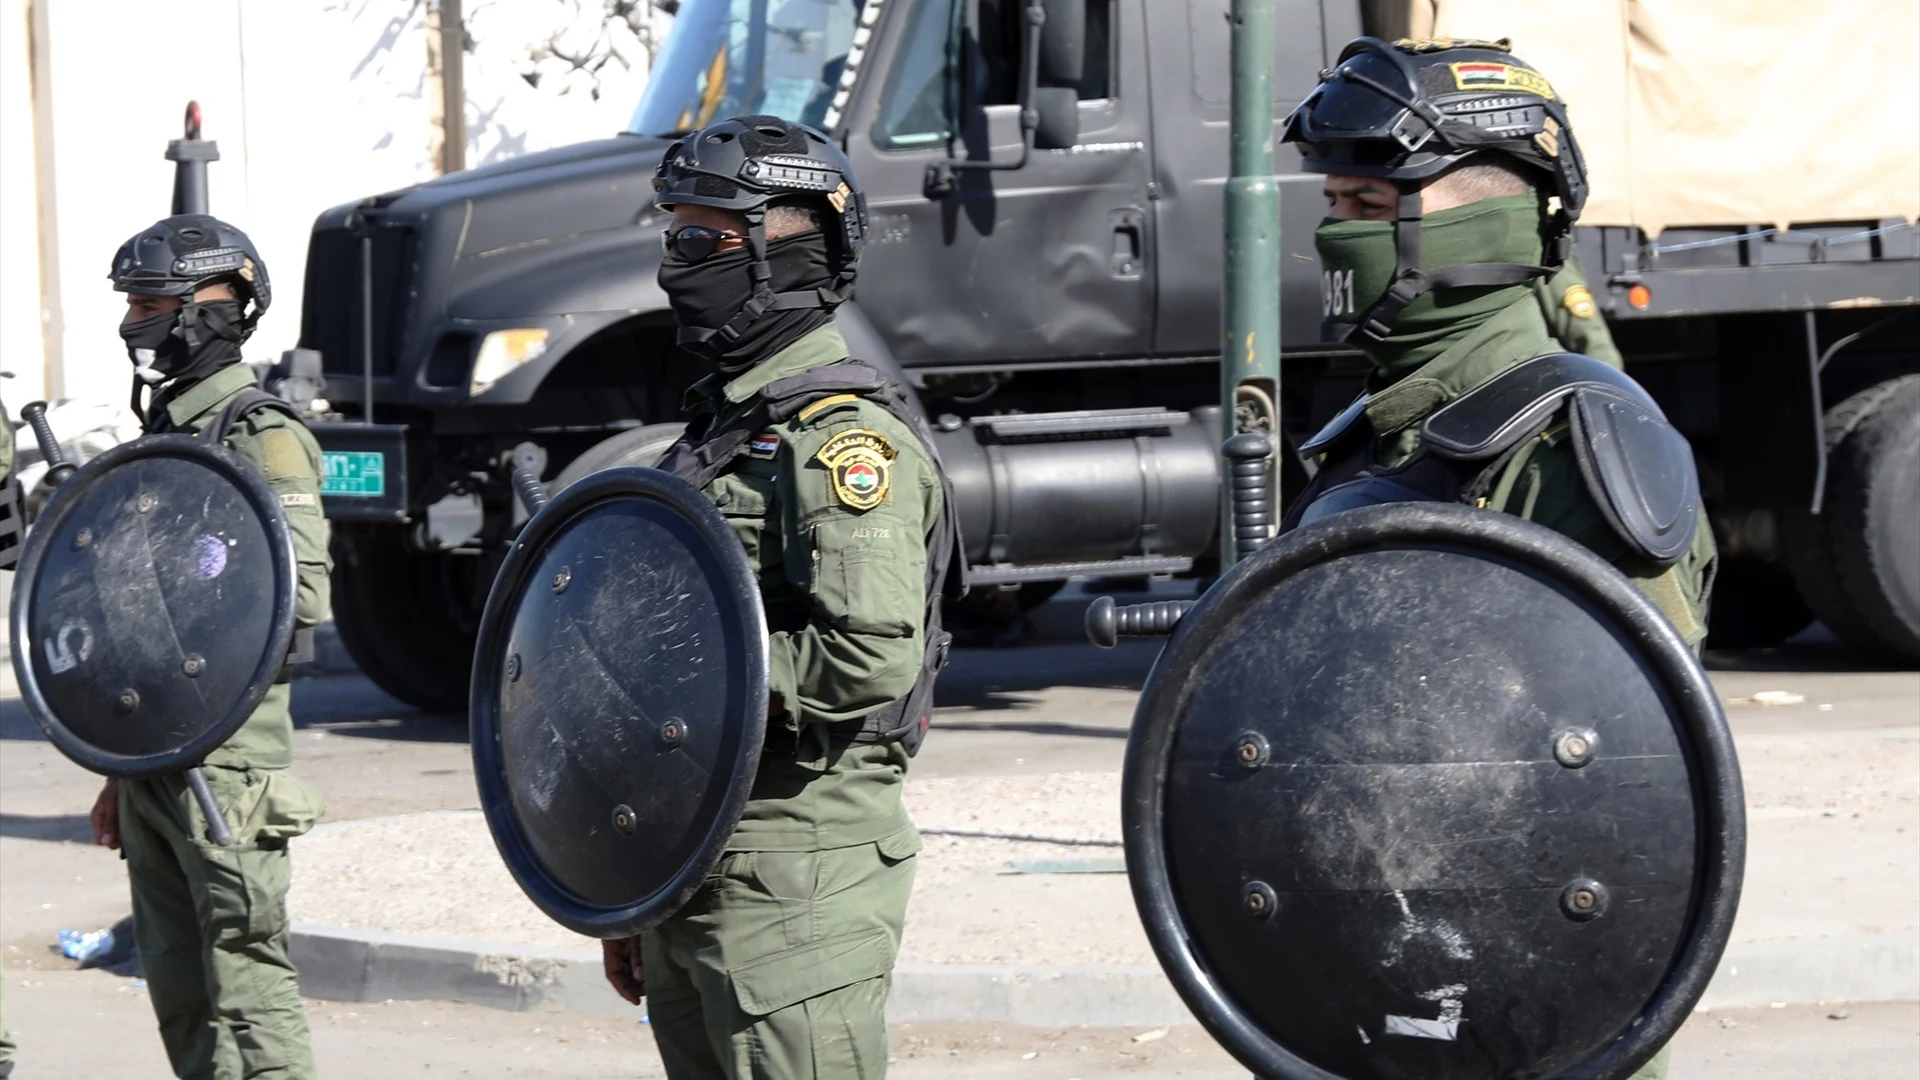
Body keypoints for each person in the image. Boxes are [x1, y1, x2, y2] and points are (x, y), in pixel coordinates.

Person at [1279, 37, 1718, 1080]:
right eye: (1333, 205)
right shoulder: (1382, 432)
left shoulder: (1576, 450)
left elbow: (1634, 787)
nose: (1337, 237)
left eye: (1370, 211)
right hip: (1387, 964)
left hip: (1532, 1006)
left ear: (1485, 221)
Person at [597, 115, 959, 1079]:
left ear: (788, 247)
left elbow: (868, 652)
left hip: (798, 873)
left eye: (699, 239)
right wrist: (641, 888)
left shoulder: (841, 445)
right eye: (671, 236)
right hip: (698, 862)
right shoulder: (719, 433)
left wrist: (692, 688)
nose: (675, 265)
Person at [88, 214, 331, 1080]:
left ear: (211, 307)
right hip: (152, 756)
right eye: (131, 304)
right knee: (180, 997)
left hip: (227, 760)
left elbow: (302, 596)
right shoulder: (159, 438)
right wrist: (118, 770)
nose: (133, 323)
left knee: (250, 989)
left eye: (151, 303)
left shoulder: (260, 436)